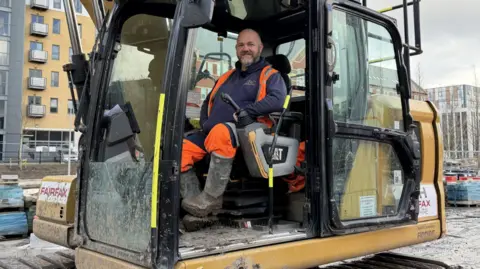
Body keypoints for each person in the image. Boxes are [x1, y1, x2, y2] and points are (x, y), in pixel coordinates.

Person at [180, 28, 288, 218]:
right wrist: (205, 122)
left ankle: (211, 198)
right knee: (179, 150)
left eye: (250, 44)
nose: (246, 49)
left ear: (260, 48)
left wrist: (248, 111)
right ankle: (196, 206)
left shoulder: (270, 75)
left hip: (248, 132)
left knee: (221, 132)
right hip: (213, 133)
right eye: (241, 45)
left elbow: (277, 99)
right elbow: (208, 101)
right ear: (236, 49)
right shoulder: (226, 76)